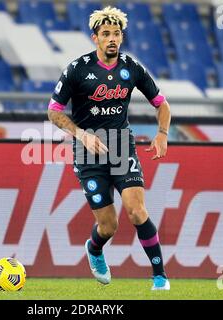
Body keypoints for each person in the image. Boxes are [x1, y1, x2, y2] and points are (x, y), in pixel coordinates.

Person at [47, 6, 171, 290]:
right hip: (87, 152)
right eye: (106, 34)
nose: (112, 38)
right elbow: (53, 112)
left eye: (116, 34)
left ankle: (160, 277)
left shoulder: (132, 68)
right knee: (108, 226)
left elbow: (161, 104)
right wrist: (80, 134)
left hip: (121, 148)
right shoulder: (77, 69)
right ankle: (94, 248)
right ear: (95, 38)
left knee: (137, 211)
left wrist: (162, 133)